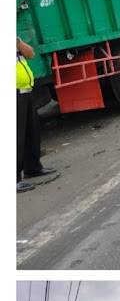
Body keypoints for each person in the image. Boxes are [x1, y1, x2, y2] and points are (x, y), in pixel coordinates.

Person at [16, 35, 57, 191]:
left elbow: (30, 54)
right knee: (16, 138)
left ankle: (32, 168)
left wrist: (18, 41)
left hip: (25, 92)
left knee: (32, 132)